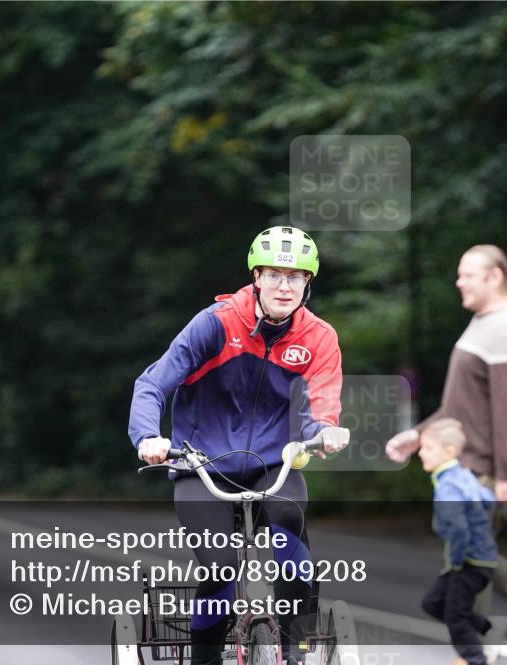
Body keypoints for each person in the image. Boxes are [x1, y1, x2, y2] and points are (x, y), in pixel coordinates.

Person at [129, 226, 350, 665]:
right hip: (201, 463)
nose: (284, 287)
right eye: (274, 275)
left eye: (296, 277)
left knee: (292, 536)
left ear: (309, 283)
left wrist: (327, 430)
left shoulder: (318, 337)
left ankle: (296, 650)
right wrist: (149, 438)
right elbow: (152, 384)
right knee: (219, 567)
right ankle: (205, 660)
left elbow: (320, 402)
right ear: (256, 277)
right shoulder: (216, 324)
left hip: (276, 463)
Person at [386, 244, 507, 661]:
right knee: (471, 561)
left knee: (470, 563)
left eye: (467, 274)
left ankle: (479, 648)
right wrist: (418, 435)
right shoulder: (483, 324)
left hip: (486, 467)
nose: (459, 282)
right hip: (470, 464)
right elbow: (458, 409)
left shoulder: (505, 327)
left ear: (495, 277)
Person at [418, 418, 497, 665]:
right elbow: (488, 499)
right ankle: (482, 626)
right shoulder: (464, 474)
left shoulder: (448, 486)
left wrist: (457, 561)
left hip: (469, 562)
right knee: (432, 603)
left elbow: (460, 530)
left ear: (449, 452)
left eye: (428, 448)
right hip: (482, 558)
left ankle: (476, 659)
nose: (421, 453)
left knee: (455, 619)